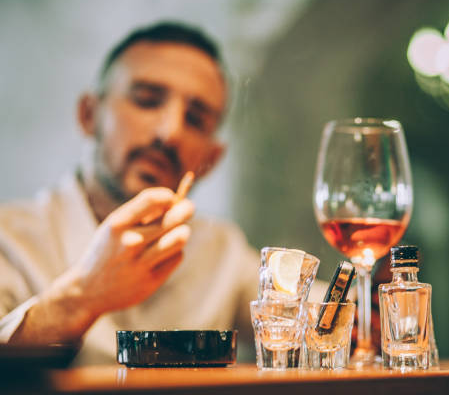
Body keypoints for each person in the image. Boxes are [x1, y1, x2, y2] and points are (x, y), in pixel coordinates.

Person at [0, 21, 262, 365]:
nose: (169, 133)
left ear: (211, 160)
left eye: (195, 120)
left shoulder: (222, 251)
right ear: (89, 115)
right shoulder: (10, 237)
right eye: (147, 100)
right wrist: (84, 296)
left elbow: (323, 314)